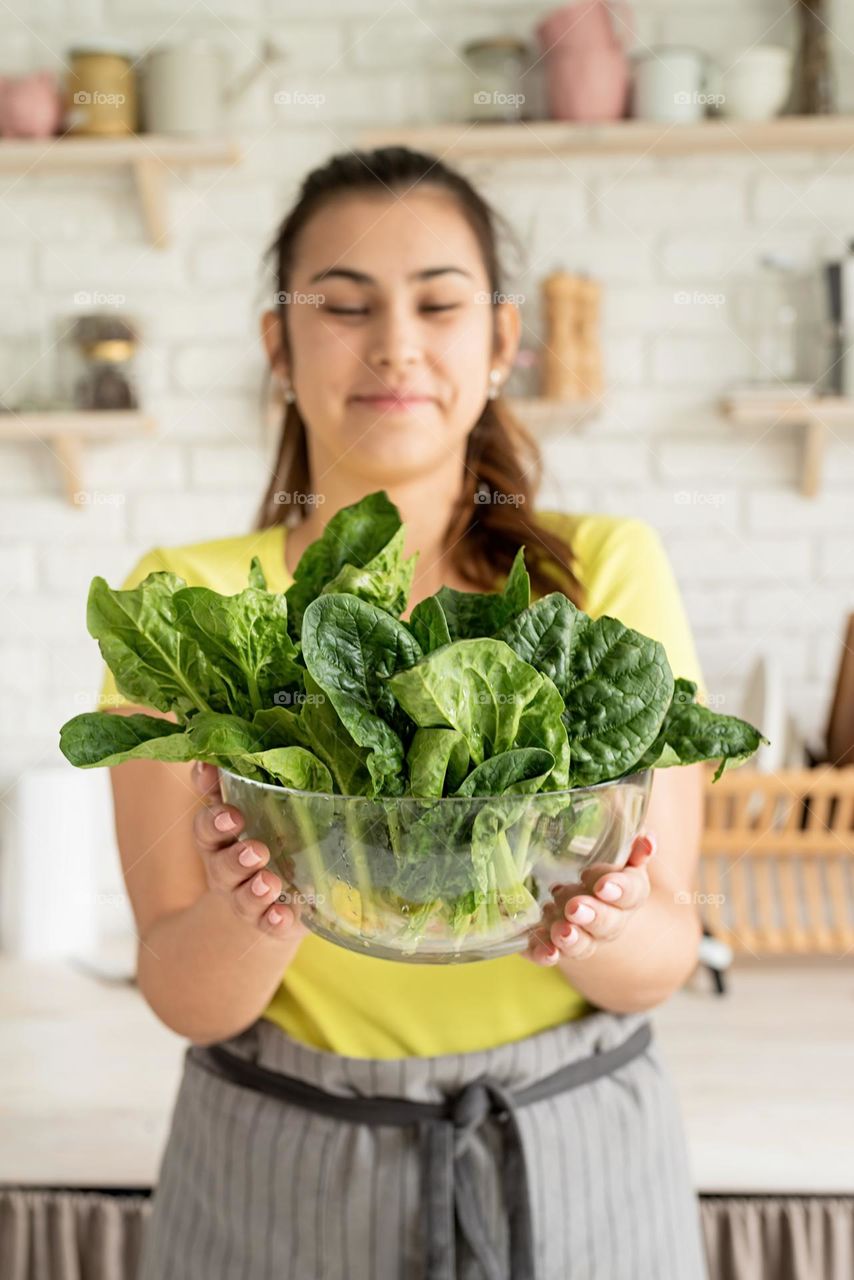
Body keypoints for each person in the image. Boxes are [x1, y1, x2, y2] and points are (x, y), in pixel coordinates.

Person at [100, 146, 710, 1280]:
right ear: (278, 344)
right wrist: (258, 900)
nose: (394, 344)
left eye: (437, 302)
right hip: (275, 1157)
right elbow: (185, 991)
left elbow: (659, 952)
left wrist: (607, 915)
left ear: (501, 340)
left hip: (573, 1149)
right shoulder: (182, 601)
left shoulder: (600, 575)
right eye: (341, 304)